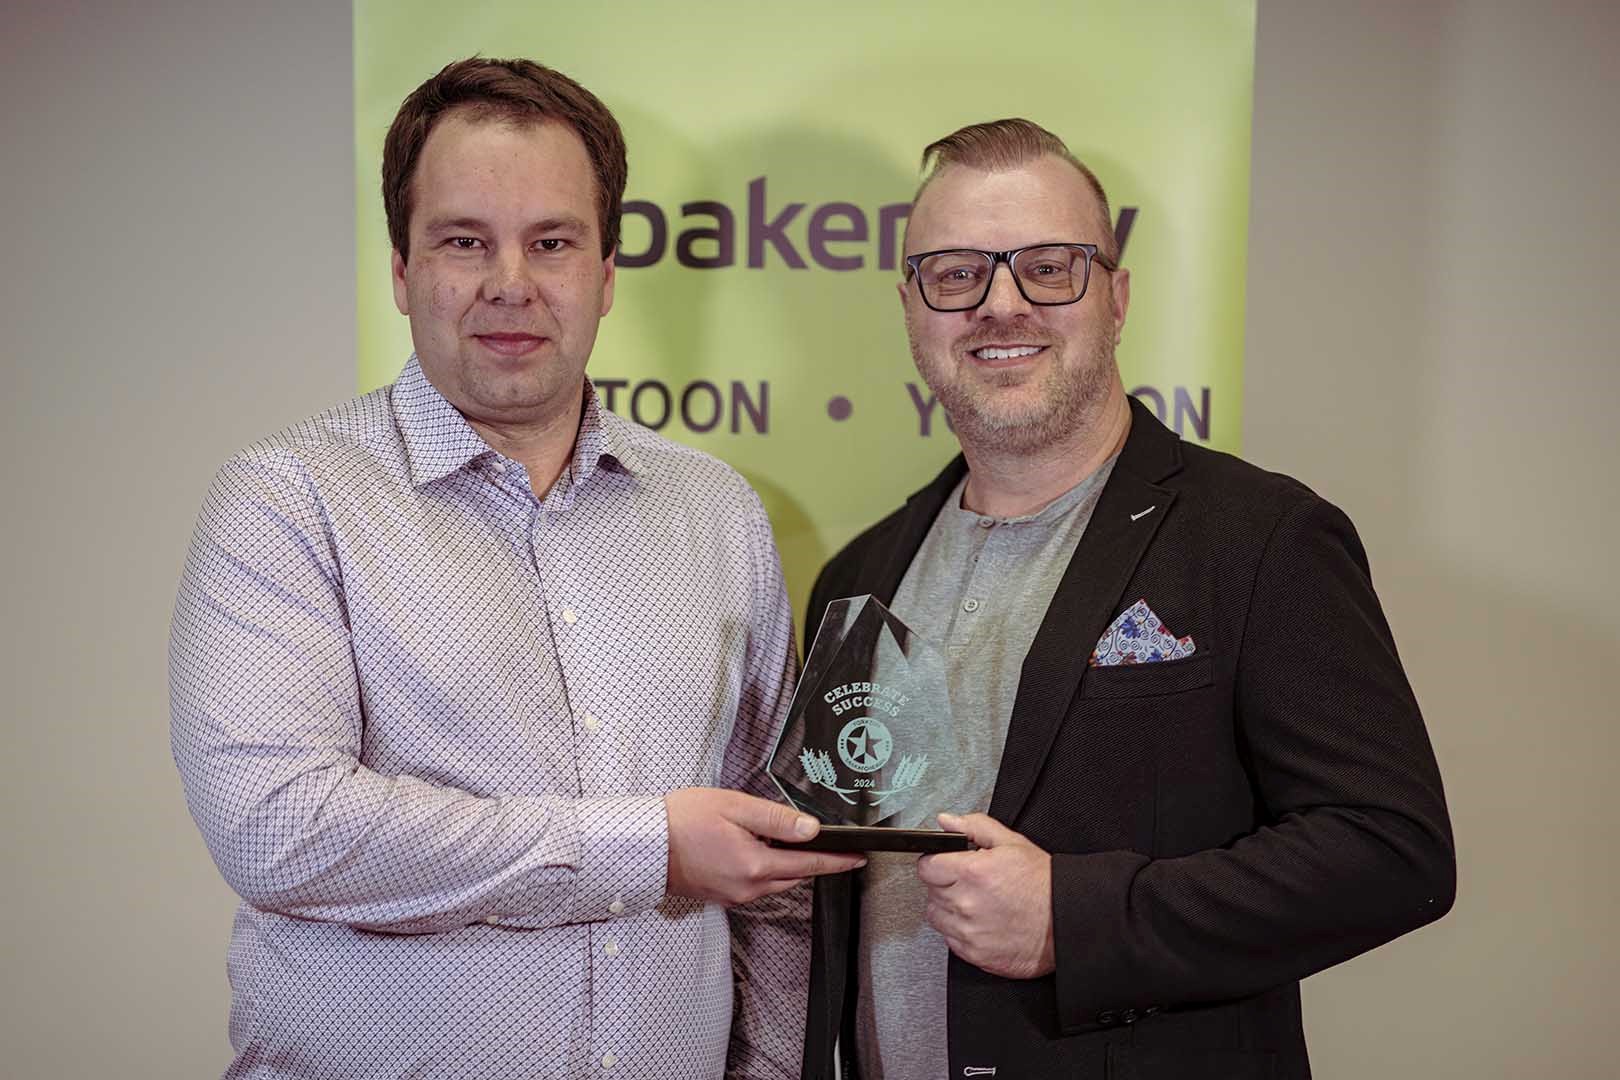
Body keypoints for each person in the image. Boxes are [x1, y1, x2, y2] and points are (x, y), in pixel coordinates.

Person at [169, 57, 862, 1080]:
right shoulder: (288, 501)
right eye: (464, 241)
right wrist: (648, 847)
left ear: (606, 273)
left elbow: (778, 876)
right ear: (402, 270)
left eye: (552, 242)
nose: (510, 283)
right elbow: (279, 829)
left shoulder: (715, 512)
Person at [800, 119, 1455, 1080]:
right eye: (955, 274)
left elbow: (1392, 851)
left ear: (1116, 296)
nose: (1000, 304)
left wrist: (1078, 920)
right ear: (911, 307)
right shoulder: (857, 578)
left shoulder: (1261, 538)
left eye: (1049, 268)